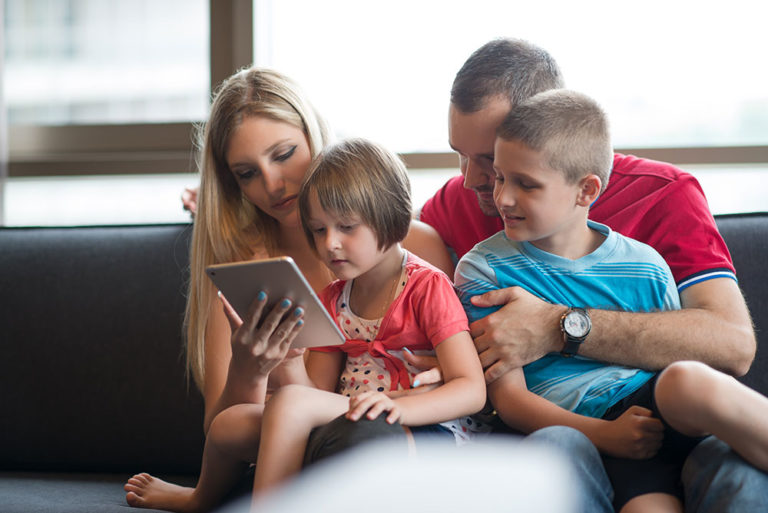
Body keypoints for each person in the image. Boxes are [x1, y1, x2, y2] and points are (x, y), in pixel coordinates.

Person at [416, 38, 766, 511]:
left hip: (658, 413)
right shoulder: (462, 205)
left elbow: (732, 344)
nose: (475, 179)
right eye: (463, 154)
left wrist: (559, 326)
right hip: (558, 429)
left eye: (487, 159)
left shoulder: (662, 195)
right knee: (556, 450)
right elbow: (390, 266)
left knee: (737, 476)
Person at [124, 67, 452, 512]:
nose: (272, 184)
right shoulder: (248, 272)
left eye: (284, 154)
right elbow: (225, 428)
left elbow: (463, 366)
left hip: (390, 427)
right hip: (295, 438)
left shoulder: (415, 245)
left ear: (315, 136)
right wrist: (252, 368)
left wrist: (438, 375)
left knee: (357, 433)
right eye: (247, 173)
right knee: (268, 418)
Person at [252, 137, 487, 496]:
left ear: (391, 219)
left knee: (289, 406)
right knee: (244, 421)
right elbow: (316, 393)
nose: (330, 243)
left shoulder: (427, 287)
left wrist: (397, 409)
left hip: (429, 431)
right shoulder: (333, 299)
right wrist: (289, 361)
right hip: (353, 417)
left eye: (346, 227)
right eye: (318, 229)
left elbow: (471, 390)